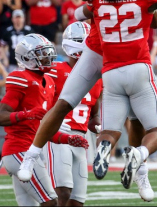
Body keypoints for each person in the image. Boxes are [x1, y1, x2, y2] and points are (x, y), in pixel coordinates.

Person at [17, 0, 157, 196]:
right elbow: (154, 12)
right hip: (105, 53)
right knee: (68, 103)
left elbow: (82, 8)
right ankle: (31, 157)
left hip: (112, 59)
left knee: (131, 120)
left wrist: (98, 6)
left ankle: (141, 175)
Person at [0, 33, 89, 206]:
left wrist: (68, 139)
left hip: (31, 151)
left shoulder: (50, 82)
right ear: (27, 57)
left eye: (48, 53)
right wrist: (27, 114)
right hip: (18, 151)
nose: (48, 57)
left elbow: (43, 130)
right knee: (50, 202)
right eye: (42, 54)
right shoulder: (21, 78)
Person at [43, 22, 102, 206]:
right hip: (58, 134)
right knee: (62, 191)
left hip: (81, 139)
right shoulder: (55, 71)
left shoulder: (97, 78)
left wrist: (99, 125)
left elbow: (93, 114)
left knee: (77, 201)